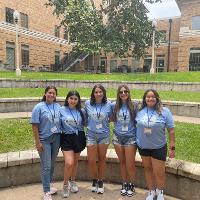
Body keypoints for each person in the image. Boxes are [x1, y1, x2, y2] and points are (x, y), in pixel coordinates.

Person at [135, 89, 175, 200]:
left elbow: (171, 130)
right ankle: (151, 191)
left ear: (157, 98)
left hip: (158, 147)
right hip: (143, 147)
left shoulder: (164, 111)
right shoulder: (140, 111)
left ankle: (160, 191)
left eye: (153, 96)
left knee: (159, 172)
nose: (150, 98)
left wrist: (172, 148)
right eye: (148, 97)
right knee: (148, 169)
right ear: (144, 99)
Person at [31, 86, 61, 200]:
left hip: (56, 138)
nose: (51, 95)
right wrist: (38, 142)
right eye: (49, 93)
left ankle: (49, 186)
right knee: (46, 165)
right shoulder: (38, 107)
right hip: (44, 140)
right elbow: (35, 125)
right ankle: (46, 191)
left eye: (53, 93)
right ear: (45, 93)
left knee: (52, 164)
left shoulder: (58, 106)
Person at [85, 84, 112, 194]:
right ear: (93, 93)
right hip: (91, 135)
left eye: (100, 92)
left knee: (102, 159)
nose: (98, 94)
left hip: (104, 135)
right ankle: (94, 179)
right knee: (91, 160)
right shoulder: (88, 103)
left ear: (103, 93)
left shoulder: (109, 104)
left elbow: (113, 116)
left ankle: (100, 181)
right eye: (96, 92)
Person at [112, 85, 137, 197]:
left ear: (128, 93)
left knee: (130, 163)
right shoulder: (114, 106)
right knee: (122, 162)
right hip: (117, 137)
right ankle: (124, 183)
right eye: (121, 92)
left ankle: (131, 184)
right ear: (118, 93)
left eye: (125, 91)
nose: (123, 93)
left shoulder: (134, 105)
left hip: (130, 137)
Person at [60, 90, 86, 198]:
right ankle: (65, 184)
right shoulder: (61, 110)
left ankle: (73, 181)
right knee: (69, 163)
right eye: (71, 98)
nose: (73, 101)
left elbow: (85, 123)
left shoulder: (81, 111)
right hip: (66, 137)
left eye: (75, 99)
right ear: (67, 99)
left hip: (78, 137)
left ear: (78, 100)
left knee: (75, 162)